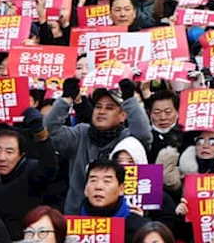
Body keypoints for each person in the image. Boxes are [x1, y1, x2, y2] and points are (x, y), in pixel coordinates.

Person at [44, 79, 152, 214]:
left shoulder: (127, 139)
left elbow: (144, 136)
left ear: (123, 116)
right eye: (98, 106)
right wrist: (65, 99)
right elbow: (49, 132)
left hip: (120, 217)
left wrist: (130, 100)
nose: (102, 111)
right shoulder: (80, 134)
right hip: (79, 220)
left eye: (109, 108)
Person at [0, 109, 57, 240]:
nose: (2, 158)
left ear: (21, 155)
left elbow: (50, 165)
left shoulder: (31, 171)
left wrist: (39, 132)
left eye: (9, 152)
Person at [73, 160, 150, 236]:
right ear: (85, 189)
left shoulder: (140, 229)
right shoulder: (70, 226)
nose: (98, 186)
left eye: (107, 181)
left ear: (121, 189)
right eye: (93, 180)